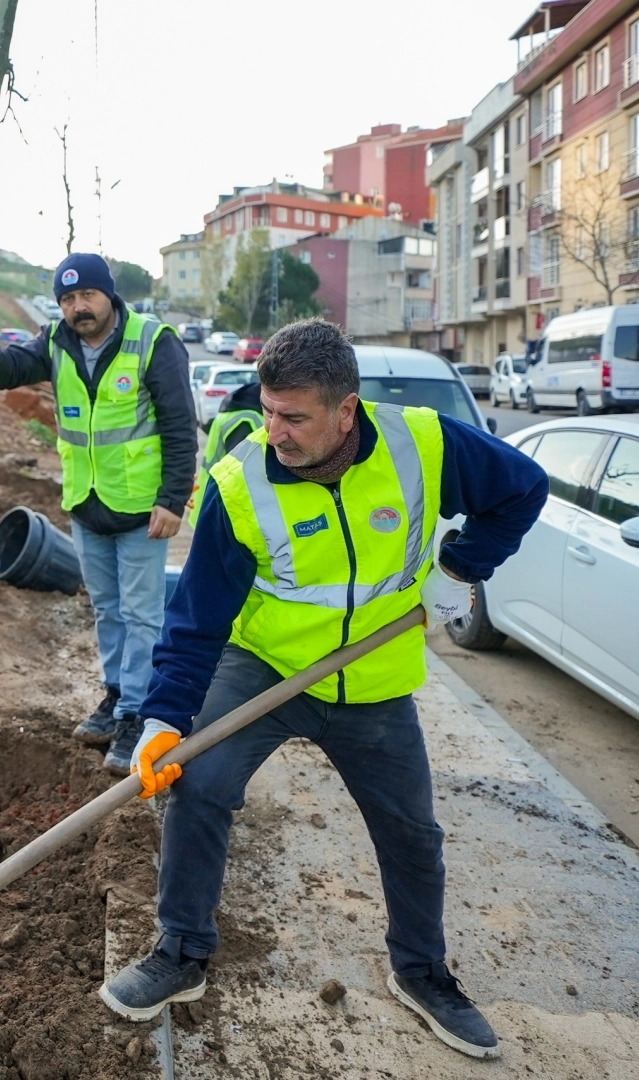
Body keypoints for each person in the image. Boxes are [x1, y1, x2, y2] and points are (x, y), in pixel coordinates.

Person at [99, 319, 549, 1061]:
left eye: (294, 417)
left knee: (412, 833)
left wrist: (462, 567)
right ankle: (180, 953)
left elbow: (524, 488)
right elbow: (196, 619)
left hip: (373, 681)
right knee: (198, 784)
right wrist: (163, 718)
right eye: (268, 411)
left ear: (347, 411)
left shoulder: (422, 445)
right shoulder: (241, 482)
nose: (275, 431)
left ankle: (422, 972)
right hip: (266, 667)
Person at [0, 253, 197, 774]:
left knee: (142, 615)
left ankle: (137, 716)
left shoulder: (153, 341)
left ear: (109, 295)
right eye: (67, 299)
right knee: (107, 609)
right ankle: (116, 696)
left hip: (142, 508)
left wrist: (172, 500)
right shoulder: (56, 341)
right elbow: (9, 369)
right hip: (87, 503)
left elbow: (180, 426)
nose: (78, 307)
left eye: (87, 295)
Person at [185, 379, 263, 529]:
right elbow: (240, 476)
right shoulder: (246, 418)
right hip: (223, 514)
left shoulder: (239, 406)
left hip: (212, 506)